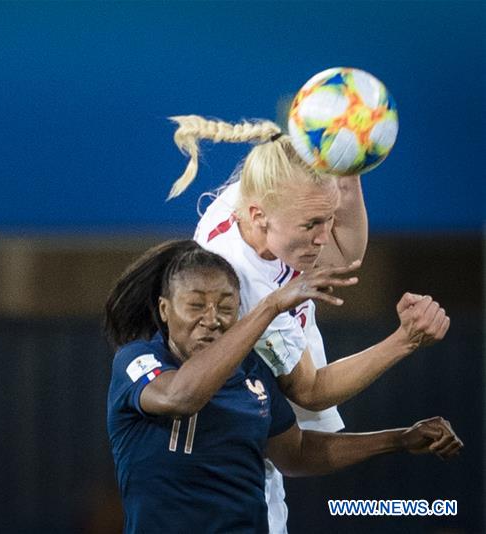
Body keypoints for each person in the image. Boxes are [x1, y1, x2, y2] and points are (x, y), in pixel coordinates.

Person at [166, 115, 451, 532]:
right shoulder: (242, 284)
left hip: (255, 435)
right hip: (229, 466)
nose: (323, 236)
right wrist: (404, 340)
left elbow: (345, 255)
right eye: (311, 225)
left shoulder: (264, 193)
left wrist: (348, 172)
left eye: (328, 218)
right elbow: (311, 391)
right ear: (259, 216)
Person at [105, 240, 462, 533]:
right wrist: (272, 306)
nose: (211, 320)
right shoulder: (139, 361)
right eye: (196, 305)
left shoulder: (252, 371)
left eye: (226, 307)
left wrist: (400, 439)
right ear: (164, 310)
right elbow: (181, 396)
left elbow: (296, 453)